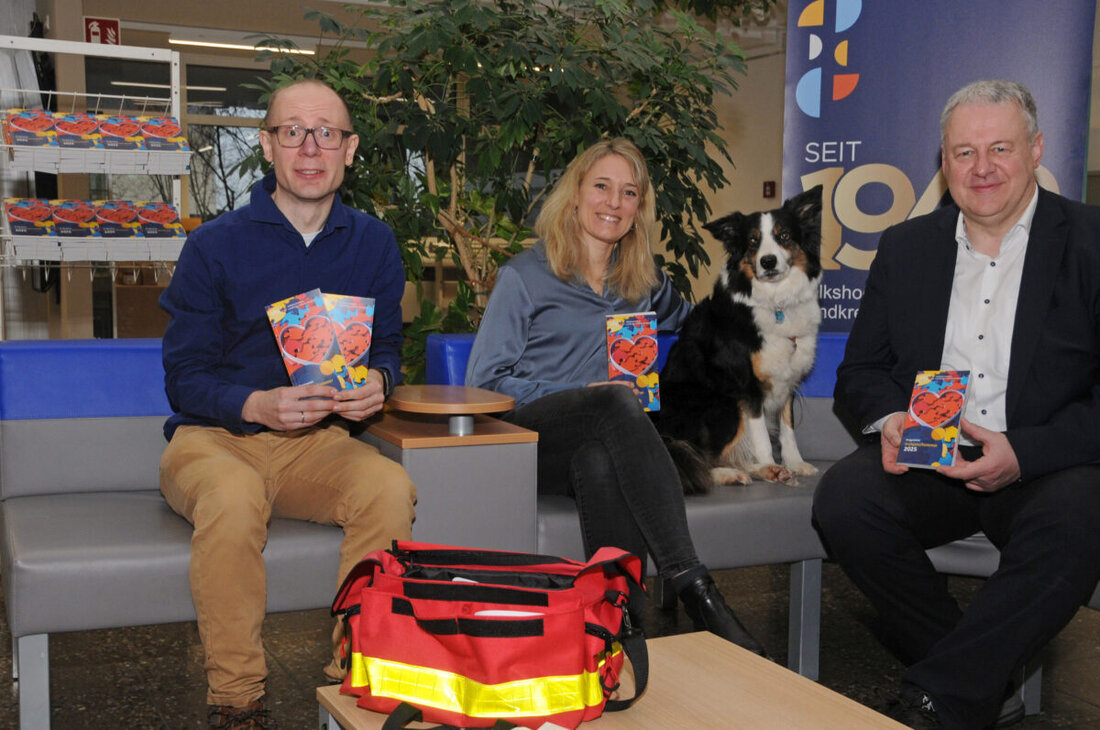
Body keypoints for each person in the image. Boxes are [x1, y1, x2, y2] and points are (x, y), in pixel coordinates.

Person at [812, 80, 1100, 730]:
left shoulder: (1092, 242)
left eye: (999, 147)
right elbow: (859, 370)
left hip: (1047, 464)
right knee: (844, 502)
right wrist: (891, 420)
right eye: (964, 152)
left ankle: (939, 698)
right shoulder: (906, 246)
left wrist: (1024, 453)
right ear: (944, 162)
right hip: (932, 455)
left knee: (1086, 513)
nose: (982, 168)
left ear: (1035, 150)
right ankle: (973, 682)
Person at [159, 78, 416, 729]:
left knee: (389, 486)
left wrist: (379, 384)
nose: (310, 146)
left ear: (349, 149)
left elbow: (387, 349)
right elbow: (183, 378)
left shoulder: (374, 244)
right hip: (212, 442)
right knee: (234, 496)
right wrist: (255, 403)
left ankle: (355, 675)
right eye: (292, 130)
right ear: (267, 143)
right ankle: (238, 698)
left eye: (326, 131)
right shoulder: (213, 245)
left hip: (320, 446)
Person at [466, 137, 766, 655]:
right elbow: (485, 381)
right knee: (613, 402)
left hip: (602, 443)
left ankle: (621, 633)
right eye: (601, 186)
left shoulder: (642, 283)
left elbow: (697, 320)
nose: (613, 202)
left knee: (603, 457)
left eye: (629, 193)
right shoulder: (525, 276)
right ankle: (693, 584)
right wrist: (575, 391)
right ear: (575, 194)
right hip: (532, 440)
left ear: (639, 209)